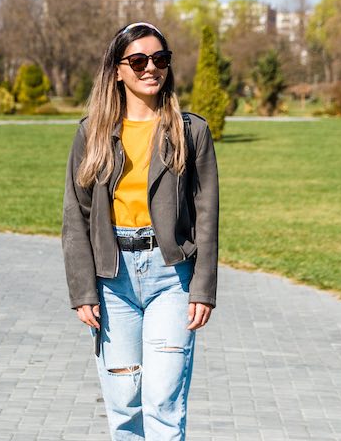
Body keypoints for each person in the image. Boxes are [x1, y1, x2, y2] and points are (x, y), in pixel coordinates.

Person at [61, 22, 219, 440]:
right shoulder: (91, 133)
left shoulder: (190, 132)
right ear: (117, 70)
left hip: (171, 278)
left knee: (164, 404)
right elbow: (74, 217)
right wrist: (82, 292)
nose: (151, 68)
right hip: (113, 282)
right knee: (124, 406)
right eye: (138, 60)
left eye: (160, 59)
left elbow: (206, 215)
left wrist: (203, 288)